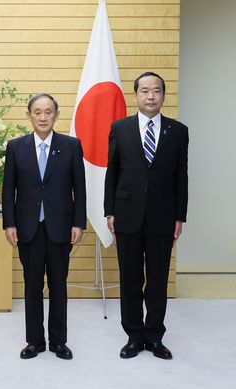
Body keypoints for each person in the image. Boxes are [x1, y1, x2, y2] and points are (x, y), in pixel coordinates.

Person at [104, 72, 189, 360]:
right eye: (144, 91)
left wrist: (180, 216)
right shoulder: (120, 128)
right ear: (136, 95)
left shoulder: (178, 131)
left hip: (163, 217)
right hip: (126, 214)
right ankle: (133, 336)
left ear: (163, 95)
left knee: (157, 279)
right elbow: (112, 173)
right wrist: (109, 211)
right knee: (129, 278)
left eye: (156, 91)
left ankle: (154, 336)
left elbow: (181, 178)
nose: (150, 96)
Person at [2, 93, 86, 360]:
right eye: (37, 112)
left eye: (48, 112)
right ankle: (35, 341)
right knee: (32, 285)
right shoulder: (16, 147)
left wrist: (78, 223)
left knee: (59, 285)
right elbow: (8, 190)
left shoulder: (71, 146)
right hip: (28, 227)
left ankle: (59, 341)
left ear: (56, 115)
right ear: (28, 115)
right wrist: (9, 224)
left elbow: (79, 189)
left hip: (60, 226)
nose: (42, 117)